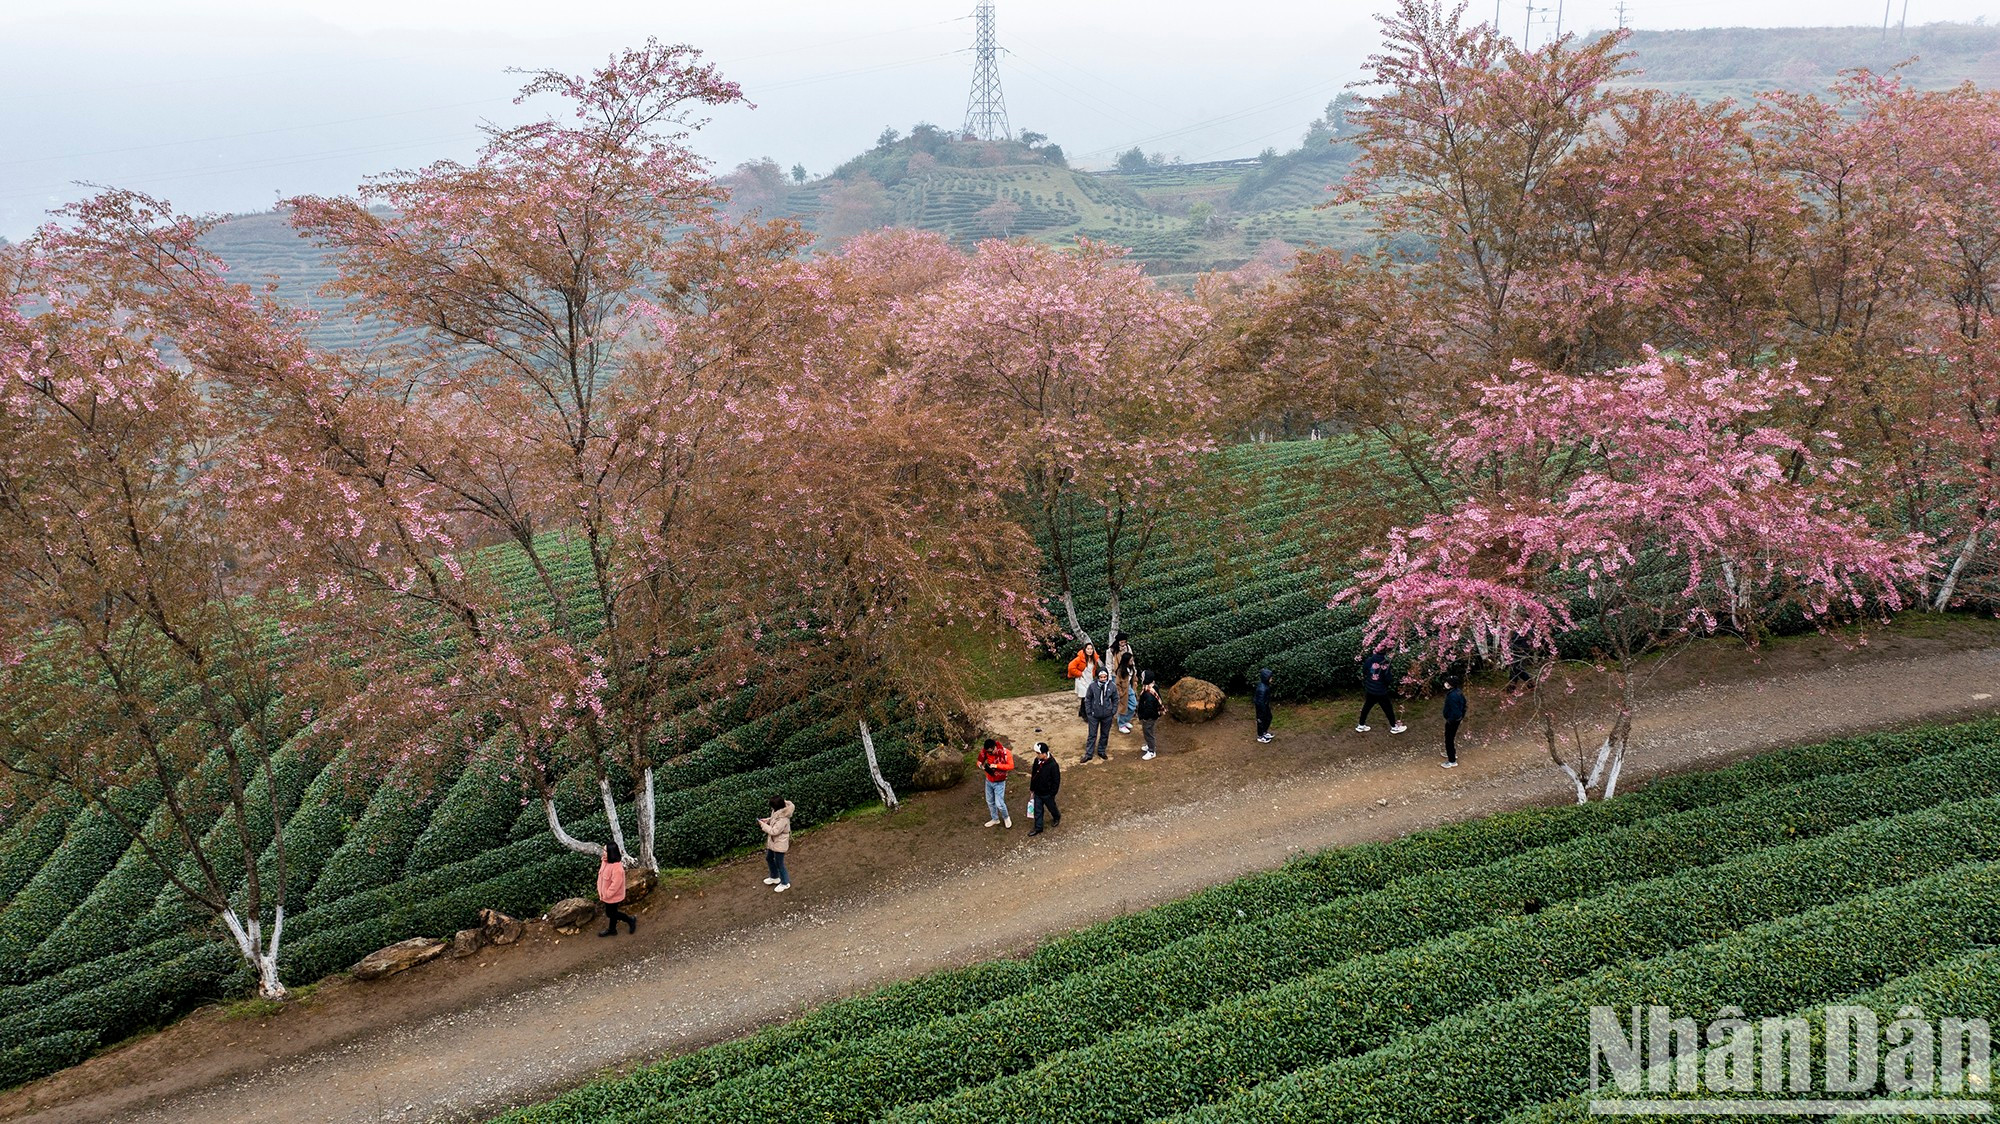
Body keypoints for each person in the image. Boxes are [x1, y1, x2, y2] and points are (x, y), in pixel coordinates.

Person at [1357, 650, 1406, 734]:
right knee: (1388, 708)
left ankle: (1361, 725)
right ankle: (1394, 727)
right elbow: (1388, 679)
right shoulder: (1385, 663)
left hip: (1370, 689)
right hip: (1380, 691)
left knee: (1367, 707)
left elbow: (1364, 671)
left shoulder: (1369, 660)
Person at [597, 840, 637, 937]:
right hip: (607, 894)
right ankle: (612, 929)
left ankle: (630, 920)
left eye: (605, 851)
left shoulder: (617, 868)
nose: (603, 852)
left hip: (612, 896)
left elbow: (616, 884)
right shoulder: (605, 861)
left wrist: (607, 894)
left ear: (611, 852)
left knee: (610, 913)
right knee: (613, 912)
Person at [1082, 667, 1119, 763]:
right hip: (1094, 715)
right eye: (1101, 677)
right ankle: (1089, 754)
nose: (1103, 679)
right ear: (1097, 677)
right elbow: (1088, 699)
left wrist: (1113, 711)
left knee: (1105, 734)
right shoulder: (1092, 686)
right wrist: (1089, 712)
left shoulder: (1112, 686)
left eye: (1105, 677)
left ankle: (1101, 751)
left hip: (1107, 715)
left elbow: (1115, 699)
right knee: (1092, 735)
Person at [758, 795, 793, 892]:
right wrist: (768, 820)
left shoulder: (783, 819)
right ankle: (774, 877)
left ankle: (785, 882)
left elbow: (775, 831)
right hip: (774, 842)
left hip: (779, 843)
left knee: (779, 863)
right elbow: (774, 819)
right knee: (769, 858)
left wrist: (764, 826)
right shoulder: (778, 812)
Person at [978, 737, 1015, 828]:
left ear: (995, 746)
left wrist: (997, 766)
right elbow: (979, 761)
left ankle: (1006, 817)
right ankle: (995, 819)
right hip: (989, 780)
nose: (990, 753)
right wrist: (981, 766)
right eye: (988, 752)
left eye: (991, 751)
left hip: (1000, 781)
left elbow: (1011, 766)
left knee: (999, 803)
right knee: (990, 801)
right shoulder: (985, 751)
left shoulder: (1006, 753)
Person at [1027, 741, 1062, 835]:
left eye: (1038, 753)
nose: (1037, 755)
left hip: (1048, 793)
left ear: (1044, 753)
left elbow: (1056, 780)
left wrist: (1052, 793)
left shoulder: (1053, 765)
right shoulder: (1036, 761)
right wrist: (1032, 788)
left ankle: (1056, 817)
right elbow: (1034, 775)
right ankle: (1038, 828)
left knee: (1051, 807)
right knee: (1038, 810)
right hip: (1038, 792)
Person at [1067, 643, 1102, 718]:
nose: (1090, 651)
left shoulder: (1094, 658)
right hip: (1081, 679)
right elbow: (1071, 667)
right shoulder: (1080, 658)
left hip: (1089, 679)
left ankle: (1081, 711)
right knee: (1086, 696)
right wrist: (1079, 673)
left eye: (1091, 649)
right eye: (1088, 649)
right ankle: (1085, 714)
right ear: (1085, 649)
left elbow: (1094, 668)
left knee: (1087, 696)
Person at [1113, 638, 1139, 734]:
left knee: (1133, 706)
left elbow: (1134, 678)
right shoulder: (1121, 671)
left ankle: (1125, 721)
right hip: (1123, 691)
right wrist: (1119, 693)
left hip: (1130, 689)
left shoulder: (1131, 668)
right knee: (1123, 708)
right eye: (1131, 660)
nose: (1132, 661)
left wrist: (1135, 682)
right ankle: (1121, 724)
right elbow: (1117, 683)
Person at [1136, 671, 1163, 759]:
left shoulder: (1149, 693)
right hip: (1151, 715)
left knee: (1148, 732)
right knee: (1148, 731)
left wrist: (1144, 716)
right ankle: (1149, 745)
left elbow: (1149, 708)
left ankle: (1151, 751)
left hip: (1149, 717)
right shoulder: (1151, 687)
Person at [1442, 677, 1467, 768]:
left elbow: (1455, 712)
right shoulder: (1458, 692)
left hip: (1452, 721)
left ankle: (1452, 760)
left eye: (1447, 682)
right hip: (1457, 719)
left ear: (1450, 685)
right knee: (1451, 738)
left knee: (1449, 739)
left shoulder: (1452, 696)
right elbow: (1464, 704)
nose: (1445, 683)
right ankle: (1451, 753)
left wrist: (1450, 720)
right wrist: (1461, 716)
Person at [1253, 667, 1275, 743]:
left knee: (1269, 718)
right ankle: (1260, 736)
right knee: (1261, 720)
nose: (1272, 679)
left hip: (1265, 706)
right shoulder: (1262, 689)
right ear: (1266, 678)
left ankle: (1264, 732)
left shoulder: (1265, 685)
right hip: (1261, 708)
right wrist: (1262, 710)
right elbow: (1259, 701)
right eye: (1270, 677)